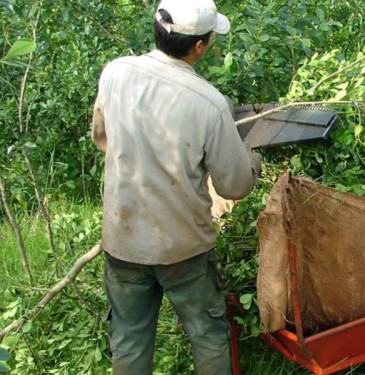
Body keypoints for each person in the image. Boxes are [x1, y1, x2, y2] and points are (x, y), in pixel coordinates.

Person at [91, 0, 261, 373]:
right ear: (199, 46)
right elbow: (234, 187)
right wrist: (253, 160)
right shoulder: (211, 104)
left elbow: (102, 137)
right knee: (207, 335)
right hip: (183, 248)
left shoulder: (115, 73)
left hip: (123, 240)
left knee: (130, 336)